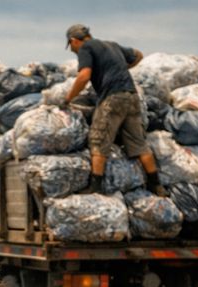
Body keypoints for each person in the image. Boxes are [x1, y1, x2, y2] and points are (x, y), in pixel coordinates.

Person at [63, 23, 167, 197]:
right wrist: (118, 69)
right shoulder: (112, 45)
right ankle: (156, 185)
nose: (73, 51)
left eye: (71, 47)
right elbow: (138, 55)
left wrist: (68, 98)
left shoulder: (86, 48)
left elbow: (84, 76)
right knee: (139, 144)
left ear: (74, 40)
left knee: (98, 140)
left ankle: (95, 188)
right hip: (132, 97)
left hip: (112, 98)